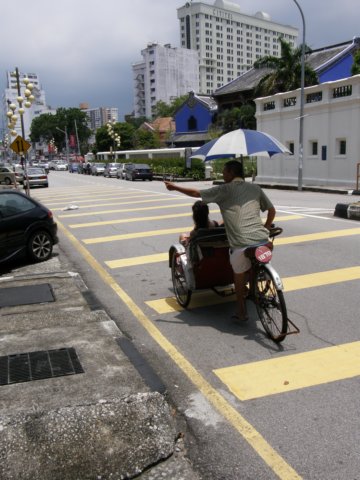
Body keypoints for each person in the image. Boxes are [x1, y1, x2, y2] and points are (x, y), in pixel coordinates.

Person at [165, 160, 276, 322]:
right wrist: (266, 228)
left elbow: (197, 194)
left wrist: (174, 187)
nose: (223, 175)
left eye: (224, 172)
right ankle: (254, 290)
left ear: (231, 173)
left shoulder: (224, 189)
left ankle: (241, 312)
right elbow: (272, 211)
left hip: (241, 243)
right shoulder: (255, 188)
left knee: (237, 275)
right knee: (254, 263)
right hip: (263, 240)